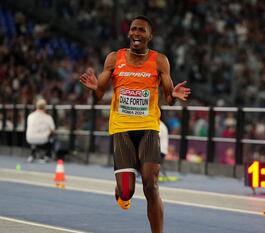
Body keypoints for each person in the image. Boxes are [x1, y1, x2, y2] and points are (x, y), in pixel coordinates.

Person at [80, 15, 190, 233]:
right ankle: (121, 189)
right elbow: (101, 93)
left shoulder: (160, 61)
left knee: (151, 185)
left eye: (142, 30)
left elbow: (167, 99)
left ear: (150, 35)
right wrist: (95, 88)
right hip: (121, 128)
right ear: (129, 33)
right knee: (127, 192)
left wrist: (174, 95)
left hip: (148, 127)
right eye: (134, 29)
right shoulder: (114, 58)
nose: (137, 33)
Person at [26, 99, 55, 163]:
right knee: (52, 136)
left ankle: (32, 154)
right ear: (45, 107)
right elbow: (53, 130)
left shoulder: (30, 116)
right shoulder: (48, 117)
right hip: (43, 140)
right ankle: (47, 156)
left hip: (30, 139)